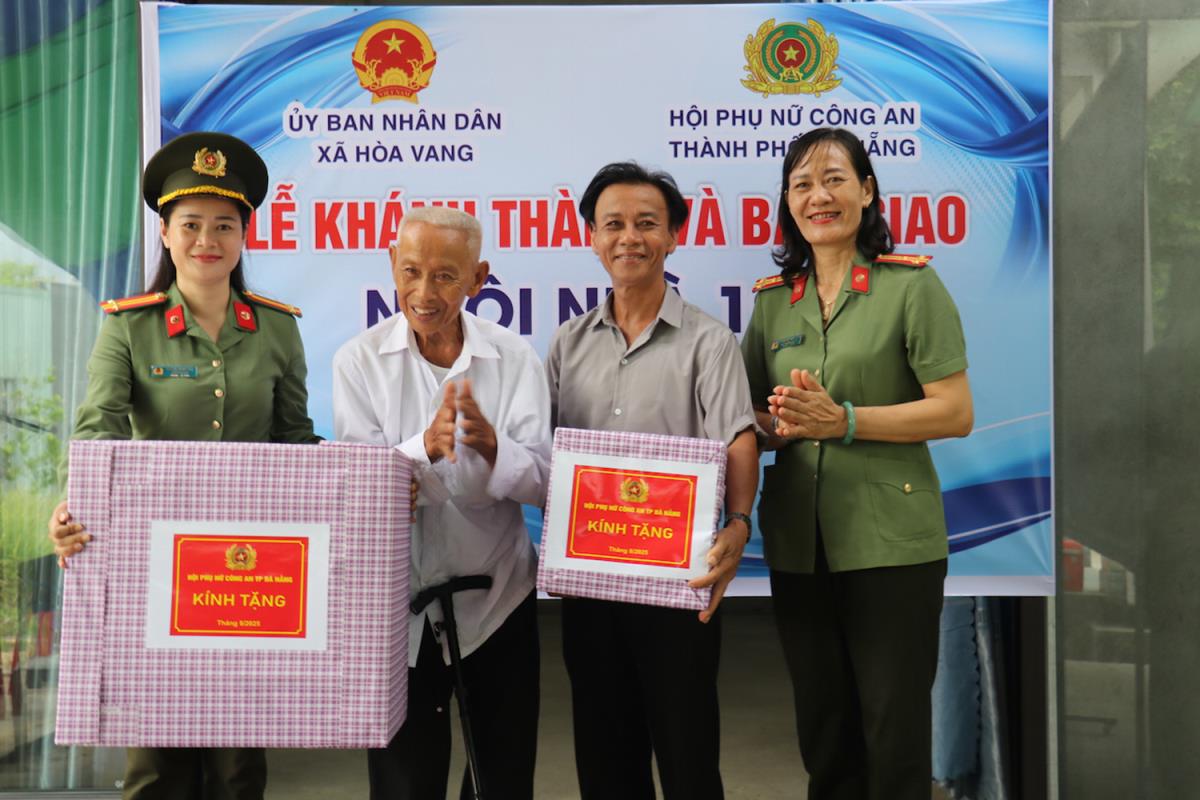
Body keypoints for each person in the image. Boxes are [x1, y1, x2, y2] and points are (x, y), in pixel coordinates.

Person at [47, 130, 319, 800]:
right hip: (152, 566)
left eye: (224, 225)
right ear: (166, 234)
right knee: (156, 760)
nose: (207, 240)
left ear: (245, 235)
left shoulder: (277, 328)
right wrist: (70, 511)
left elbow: (296, 443)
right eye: (191, 224)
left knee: (237, 763)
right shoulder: (129, 327)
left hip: (249, 567)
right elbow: (98, 434)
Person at [740, 127, 974, 800]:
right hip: (799, 544)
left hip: (892, 544)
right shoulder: (773, 300)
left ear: (867, 191)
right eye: (802, 184)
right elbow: (752, 416)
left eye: (835, 179)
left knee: (893, 735)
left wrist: (843, 421)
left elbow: (954, 412)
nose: (819, 196)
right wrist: (778, 424)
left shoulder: (911, 287)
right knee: (826, 734)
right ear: (788, 203)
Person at [546, 161, 758, 800]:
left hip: (677, 584)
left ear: (674, 236)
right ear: (592, 238)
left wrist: (740, 521)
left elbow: (738, 438)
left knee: (688, 756)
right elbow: (545, 451)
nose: (629, 238)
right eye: (613, 224)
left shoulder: (708, 341)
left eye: (646, 224)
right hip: (591, 582)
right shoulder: (567, 344)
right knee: (605, 760)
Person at [332, 205, 550, 800]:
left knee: (502, 778)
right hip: (396, 609)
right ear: (392, 267)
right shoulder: (357, 361)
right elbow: (362, 493)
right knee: (404, 783)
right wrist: (424, 449)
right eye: (411, 271)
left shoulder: (515, 358)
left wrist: (493, 448)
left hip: (499, 600)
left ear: (479, 278)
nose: (424, 293)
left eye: (446, 276)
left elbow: (545, 483)